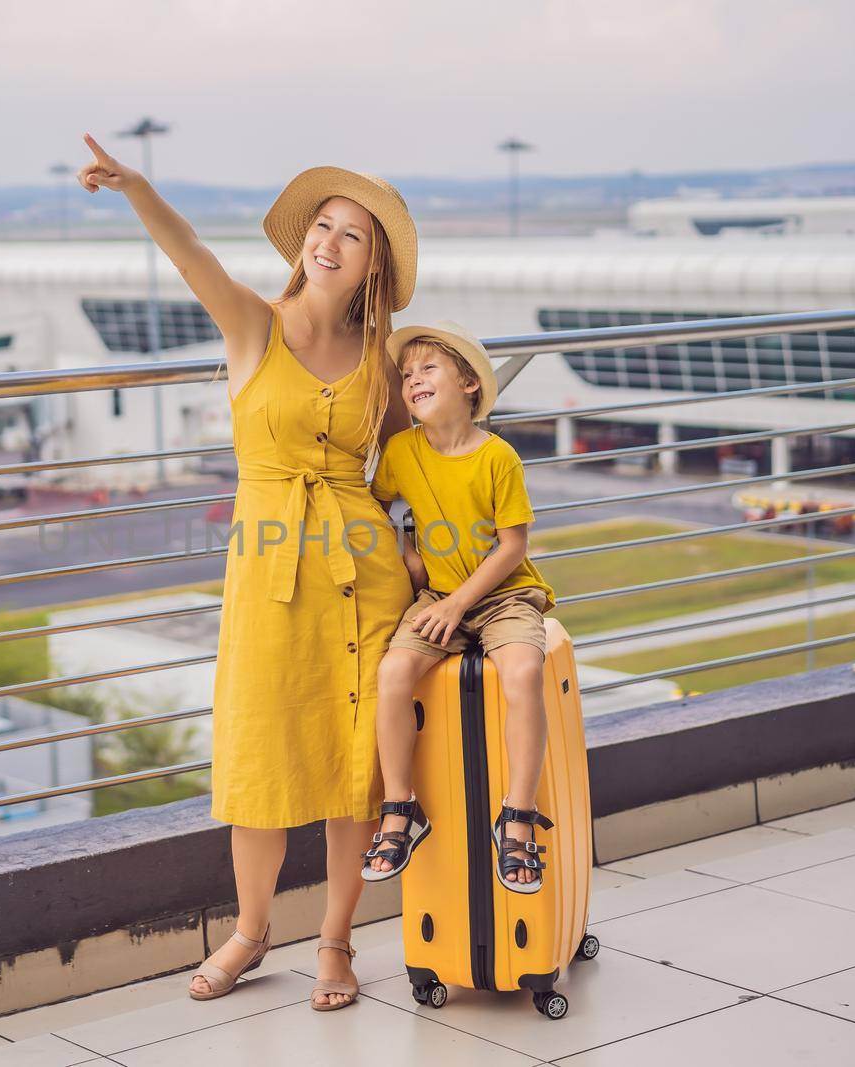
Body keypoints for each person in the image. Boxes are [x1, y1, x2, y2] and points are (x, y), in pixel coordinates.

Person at [76, 136, 417, 1010]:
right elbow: (190, 254)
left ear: (373, 264)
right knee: (260, 764)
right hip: (268, 575)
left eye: (352, 235)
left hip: (366, 577)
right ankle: (250, 932)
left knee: (354, 775)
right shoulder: (252, 323)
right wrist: (138, 189)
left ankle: (336, 943)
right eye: (323, 226)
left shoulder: (384, 359)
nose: (329, 242)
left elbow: (413, 472)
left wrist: (435, 563)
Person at [359, 322, 560, 893]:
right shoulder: (401, 451)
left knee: (523, 673)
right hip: (437, 596)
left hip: (503, 596)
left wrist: (459, 603)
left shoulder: (499, 457)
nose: (413, 379)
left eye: (428, 369)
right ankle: (401, 809)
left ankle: (517, 819)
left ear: (469, 384)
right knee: (393, 674)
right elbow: (378, 508)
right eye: (407, 375)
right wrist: (411, 559)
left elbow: (513, 545)